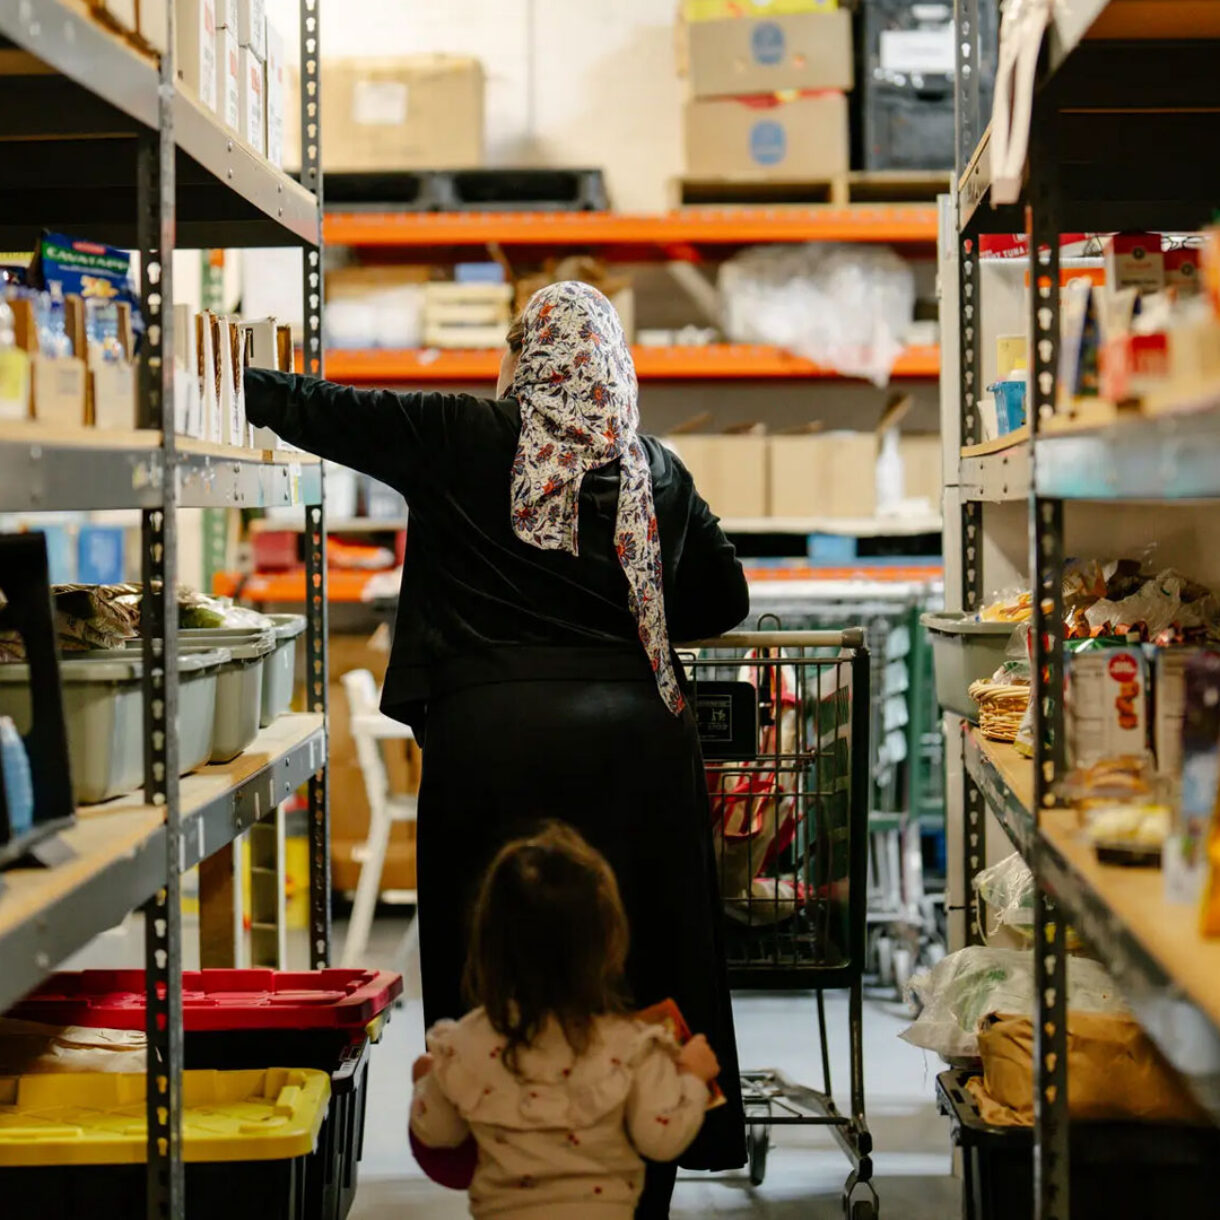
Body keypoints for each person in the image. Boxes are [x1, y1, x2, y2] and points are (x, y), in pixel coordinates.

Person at [244, 280, 750, 1216]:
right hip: (636, 753)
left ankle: (510, 1162)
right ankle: (637, 1181)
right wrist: (626, 602)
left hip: (494, 745)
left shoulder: (464, 434)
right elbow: (725, 599)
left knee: (502, 949)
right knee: (636, 963)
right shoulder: (656, 468)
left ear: (527, 359)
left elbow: (325, 410)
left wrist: (205, 371)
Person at [410, 824, 721, 1219]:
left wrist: (427, 1082)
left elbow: (437, 1132)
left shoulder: (463, 1046)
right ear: (610, 943)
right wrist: (692, 1078)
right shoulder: (631, 1045)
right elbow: (660, 1138)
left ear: (487, 945)